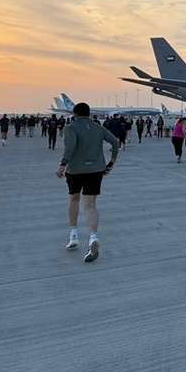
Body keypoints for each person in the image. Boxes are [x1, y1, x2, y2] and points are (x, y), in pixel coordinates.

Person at [56, 101, 121, 262]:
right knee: (91, 204)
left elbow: (70, 147)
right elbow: (115, 142)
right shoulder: (98, 128)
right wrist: (111, 162)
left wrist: (62, 165)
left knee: (74, 199)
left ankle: (73, 234)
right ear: (89, 113)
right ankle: (93, 237)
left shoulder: (70, 128)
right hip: (96, 169)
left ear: (74, 114)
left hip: (75, 170)